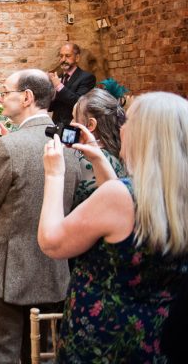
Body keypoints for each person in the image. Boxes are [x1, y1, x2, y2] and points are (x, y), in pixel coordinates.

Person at [39, 92, 188, 362]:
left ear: (146, 134)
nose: (123, 127)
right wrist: (99, 159)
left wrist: (54, 174)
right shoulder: (174, 196)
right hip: (155, 338)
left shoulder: (123, 197)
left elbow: (52, 241)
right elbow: (118, 213)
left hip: (105, 341)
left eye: (129, 121)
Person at [0, 69, 79, 364]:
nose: (0, 98)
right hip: (51, 272)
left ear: (26, 97)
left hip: (5, 275)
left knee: (3, 354)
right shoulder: (67, 146)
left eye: (5, 92)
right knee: (42, 355)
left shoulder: (9, 147)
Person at [69, 88, 127, 209]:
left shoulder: (85, 161)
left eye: (74, 118)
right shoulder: (122, 151)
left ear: (90, 125)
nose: (71, 123)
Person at [48, 43, 96, 126]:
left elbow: (79, 102)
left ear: (77, 58)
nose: (63, 59)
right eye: (61, 56)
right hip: (56, 125)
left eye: (67, 56)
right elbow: (51, 107)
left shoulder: (87, 78)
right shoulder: (58, 78)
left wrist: (59, 86)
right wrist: (50, 92)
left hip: (73, 127)